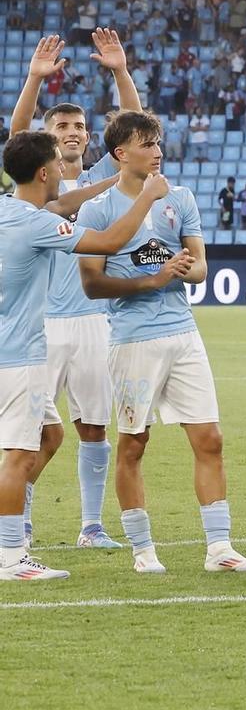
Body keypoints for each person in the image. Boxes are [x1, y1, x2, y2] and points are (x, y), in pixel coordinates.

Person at [79, 109, 246, 572]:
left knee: (210, 438)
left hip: (183, 332)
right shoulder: (98, 208)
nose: (158, 151)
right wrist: (150, 281)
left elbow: (201, 269)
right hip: (132, 339)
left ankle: (220, 549)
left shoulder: (179, 198)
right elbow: (91, 284)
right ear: (121, 154)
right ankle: (144, 552)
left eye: (158, 142)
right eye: (146, 144)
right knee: (133, 443)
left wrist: (184, 270)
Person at [0, 132, 169, 582]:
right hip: (18, 358)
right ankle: (12, 558)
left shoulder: (6, 209)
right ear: (43, 173)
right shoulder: (37, 224)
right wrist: (147, 195)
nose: (62, 171)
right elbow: (111, 241)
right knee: (18, 456)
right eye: (57, 164)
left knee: (51, 435)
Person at [8, 30, 141, 549]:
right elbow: (18, 133)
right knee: (33, 433)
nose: (72, 131)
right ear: (47, 137)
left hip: (93, 321)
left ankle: (90, 526)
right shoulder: (34, 184)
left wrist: (120, 72)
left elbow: (133, 132)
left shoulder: (106, 172)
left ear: (90, 137)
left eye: (80, 126)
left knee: (92, 429)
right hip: (39, 325)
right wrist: (35, 79)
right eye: (61, 124)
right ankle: (18, 517)